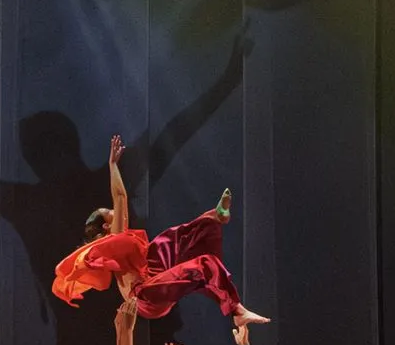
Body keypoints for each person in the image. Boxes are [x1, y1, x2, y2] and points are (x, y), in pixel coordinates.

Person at [51, 134, 267, 324]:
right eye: (110, 212)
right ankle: (237, 311)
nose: (116, 213)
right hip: (145, 296)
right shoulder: (113, 240)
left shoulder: (120, 246)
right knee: (202, 265)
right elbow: (120, 197)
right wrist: (113, 166)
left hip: (151, 276)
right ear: (107, 225)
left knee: (170, 239)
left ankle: (215, 218)